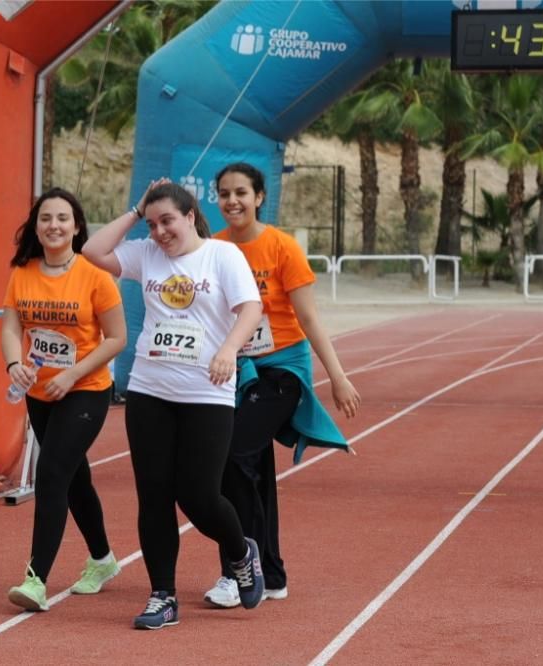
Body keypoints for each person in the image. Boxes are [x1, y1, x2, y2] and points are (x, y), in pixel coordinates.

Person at [82, 180, 266, 630]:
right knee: (154, 495)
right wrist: (135, 209)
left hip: (207, 390)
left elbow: (250, 309)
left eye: (168, 221)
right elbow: (91, 250)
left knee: (200, 495)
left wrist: (228, 351)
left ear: (190, 215)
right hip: (150, 388)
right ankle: (162, 595)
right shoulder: (146, 254)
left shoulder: (222, 256)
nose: (160, 232)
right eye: (152, 223)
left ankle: (242, 551)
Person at [203, 162, 361, 608]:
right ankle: (270, 574)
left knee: (233, 455)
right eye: (224, 193)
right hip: (233, 372)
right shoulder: (212, 249)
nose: (232, 201)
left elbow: (309, 317)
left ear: (259, 198)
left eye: (241, 193)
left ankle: (239, 569)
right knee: (252, 469)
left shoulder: (282, 248)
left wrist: (338, 377)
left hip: (280, 372)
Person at [2, 187, 127, 612]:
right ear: (35, 227)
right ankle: (103, 559)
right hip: (39, 392)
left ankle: (36, 579)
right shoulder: (23, 272)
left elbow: (117, 338)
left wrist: (73, 374)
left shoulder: (94, 275)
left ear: (76, 226)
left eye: (62, 218)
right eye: (45, 219)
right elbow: (9, 327)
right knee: (75, 478)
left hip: (86, 390)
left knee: (52, 472)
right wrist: (11, 365)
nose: (53, 226)